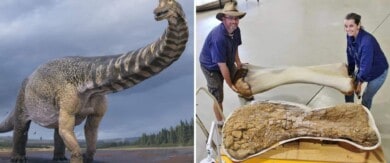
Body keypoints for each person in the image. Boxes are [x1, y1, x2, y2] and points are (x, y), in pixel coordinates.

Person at [199, 2, 246, 122]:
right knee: (218, 97)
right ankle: (220, 123)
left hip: (226, 59)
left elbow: (235, 47)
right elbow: (222, 66)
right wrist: (231, 85)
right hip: (211, 67)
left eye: (236, 18)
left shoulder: (236, 30)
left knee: (240, 78)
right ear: (223, 19)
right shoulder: (218, 38)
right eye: (230, 18)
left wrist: (238, 63)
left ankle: (245, 103)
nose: (234, 22)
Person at [344, 12, 388, 109]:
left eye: (351, 26)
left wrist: (359, 82)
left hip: (378, 72)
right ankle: (349, 110)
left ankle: (364, 118)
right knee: (348, 88)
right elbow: (349, 53)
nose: (348, 29)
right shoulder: (350, 35)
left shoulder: (366, 42)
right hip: (365, 67)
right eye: (346, 26)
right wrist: (350, 73)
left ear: (358, 25)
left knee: (366, 98)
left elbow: (365, 67)